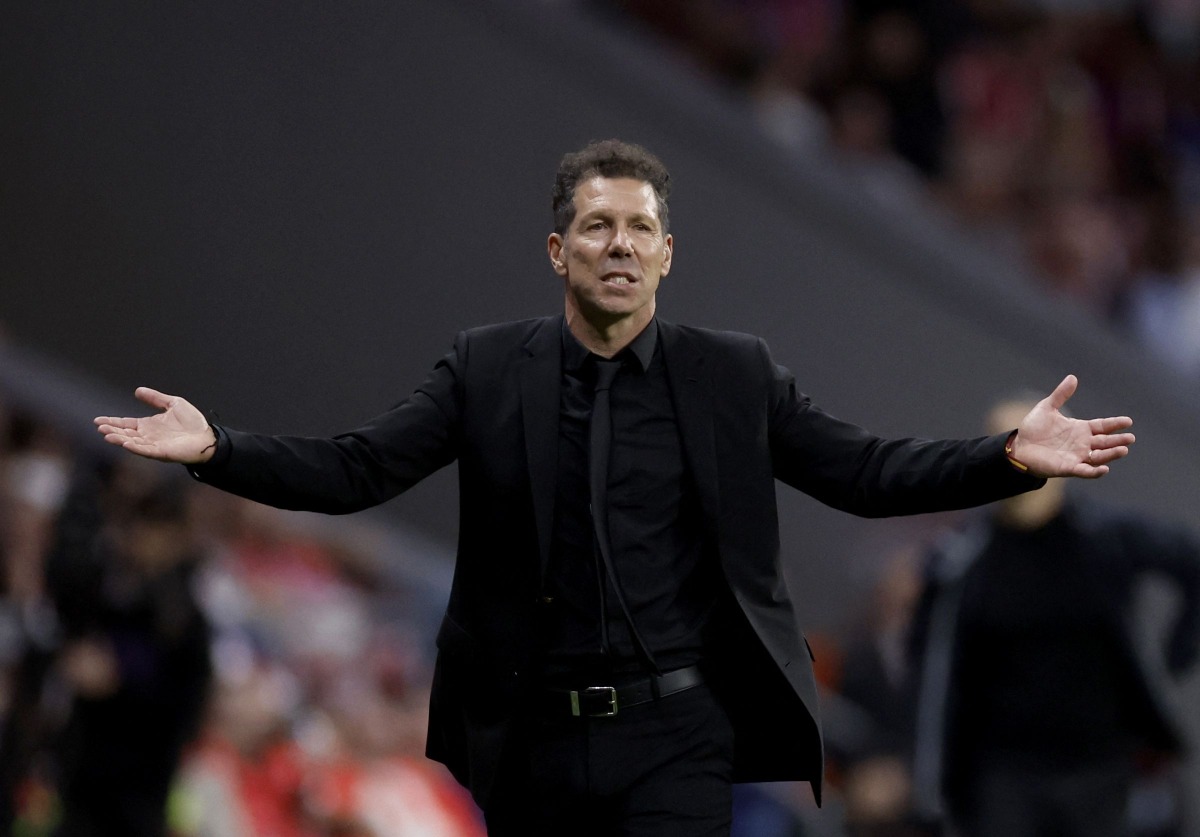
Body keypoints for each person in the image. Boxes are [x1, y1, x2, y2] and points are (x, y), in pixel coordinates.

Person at [94, 139, 1136, 836]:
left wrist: (1000, 458)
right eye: (597, 227)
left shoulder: (733, 375)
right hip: (530, 737)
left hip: (676, 734)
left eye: (640, 228)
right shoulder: (487, 367)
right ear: (559, 249)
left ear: (668, 255)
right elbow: (357, 469)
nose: (620, 246)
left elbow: (861, 472)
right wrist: (214, 448)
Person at [908, 397, 1200, 837]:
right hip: (1001, 772)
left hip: (1099, 765)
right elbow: (931, 669)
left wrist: (1173, 660)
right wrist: (930, 782)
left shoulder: (1104, 538)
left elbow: (1191, 562)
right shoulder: (962, 560)